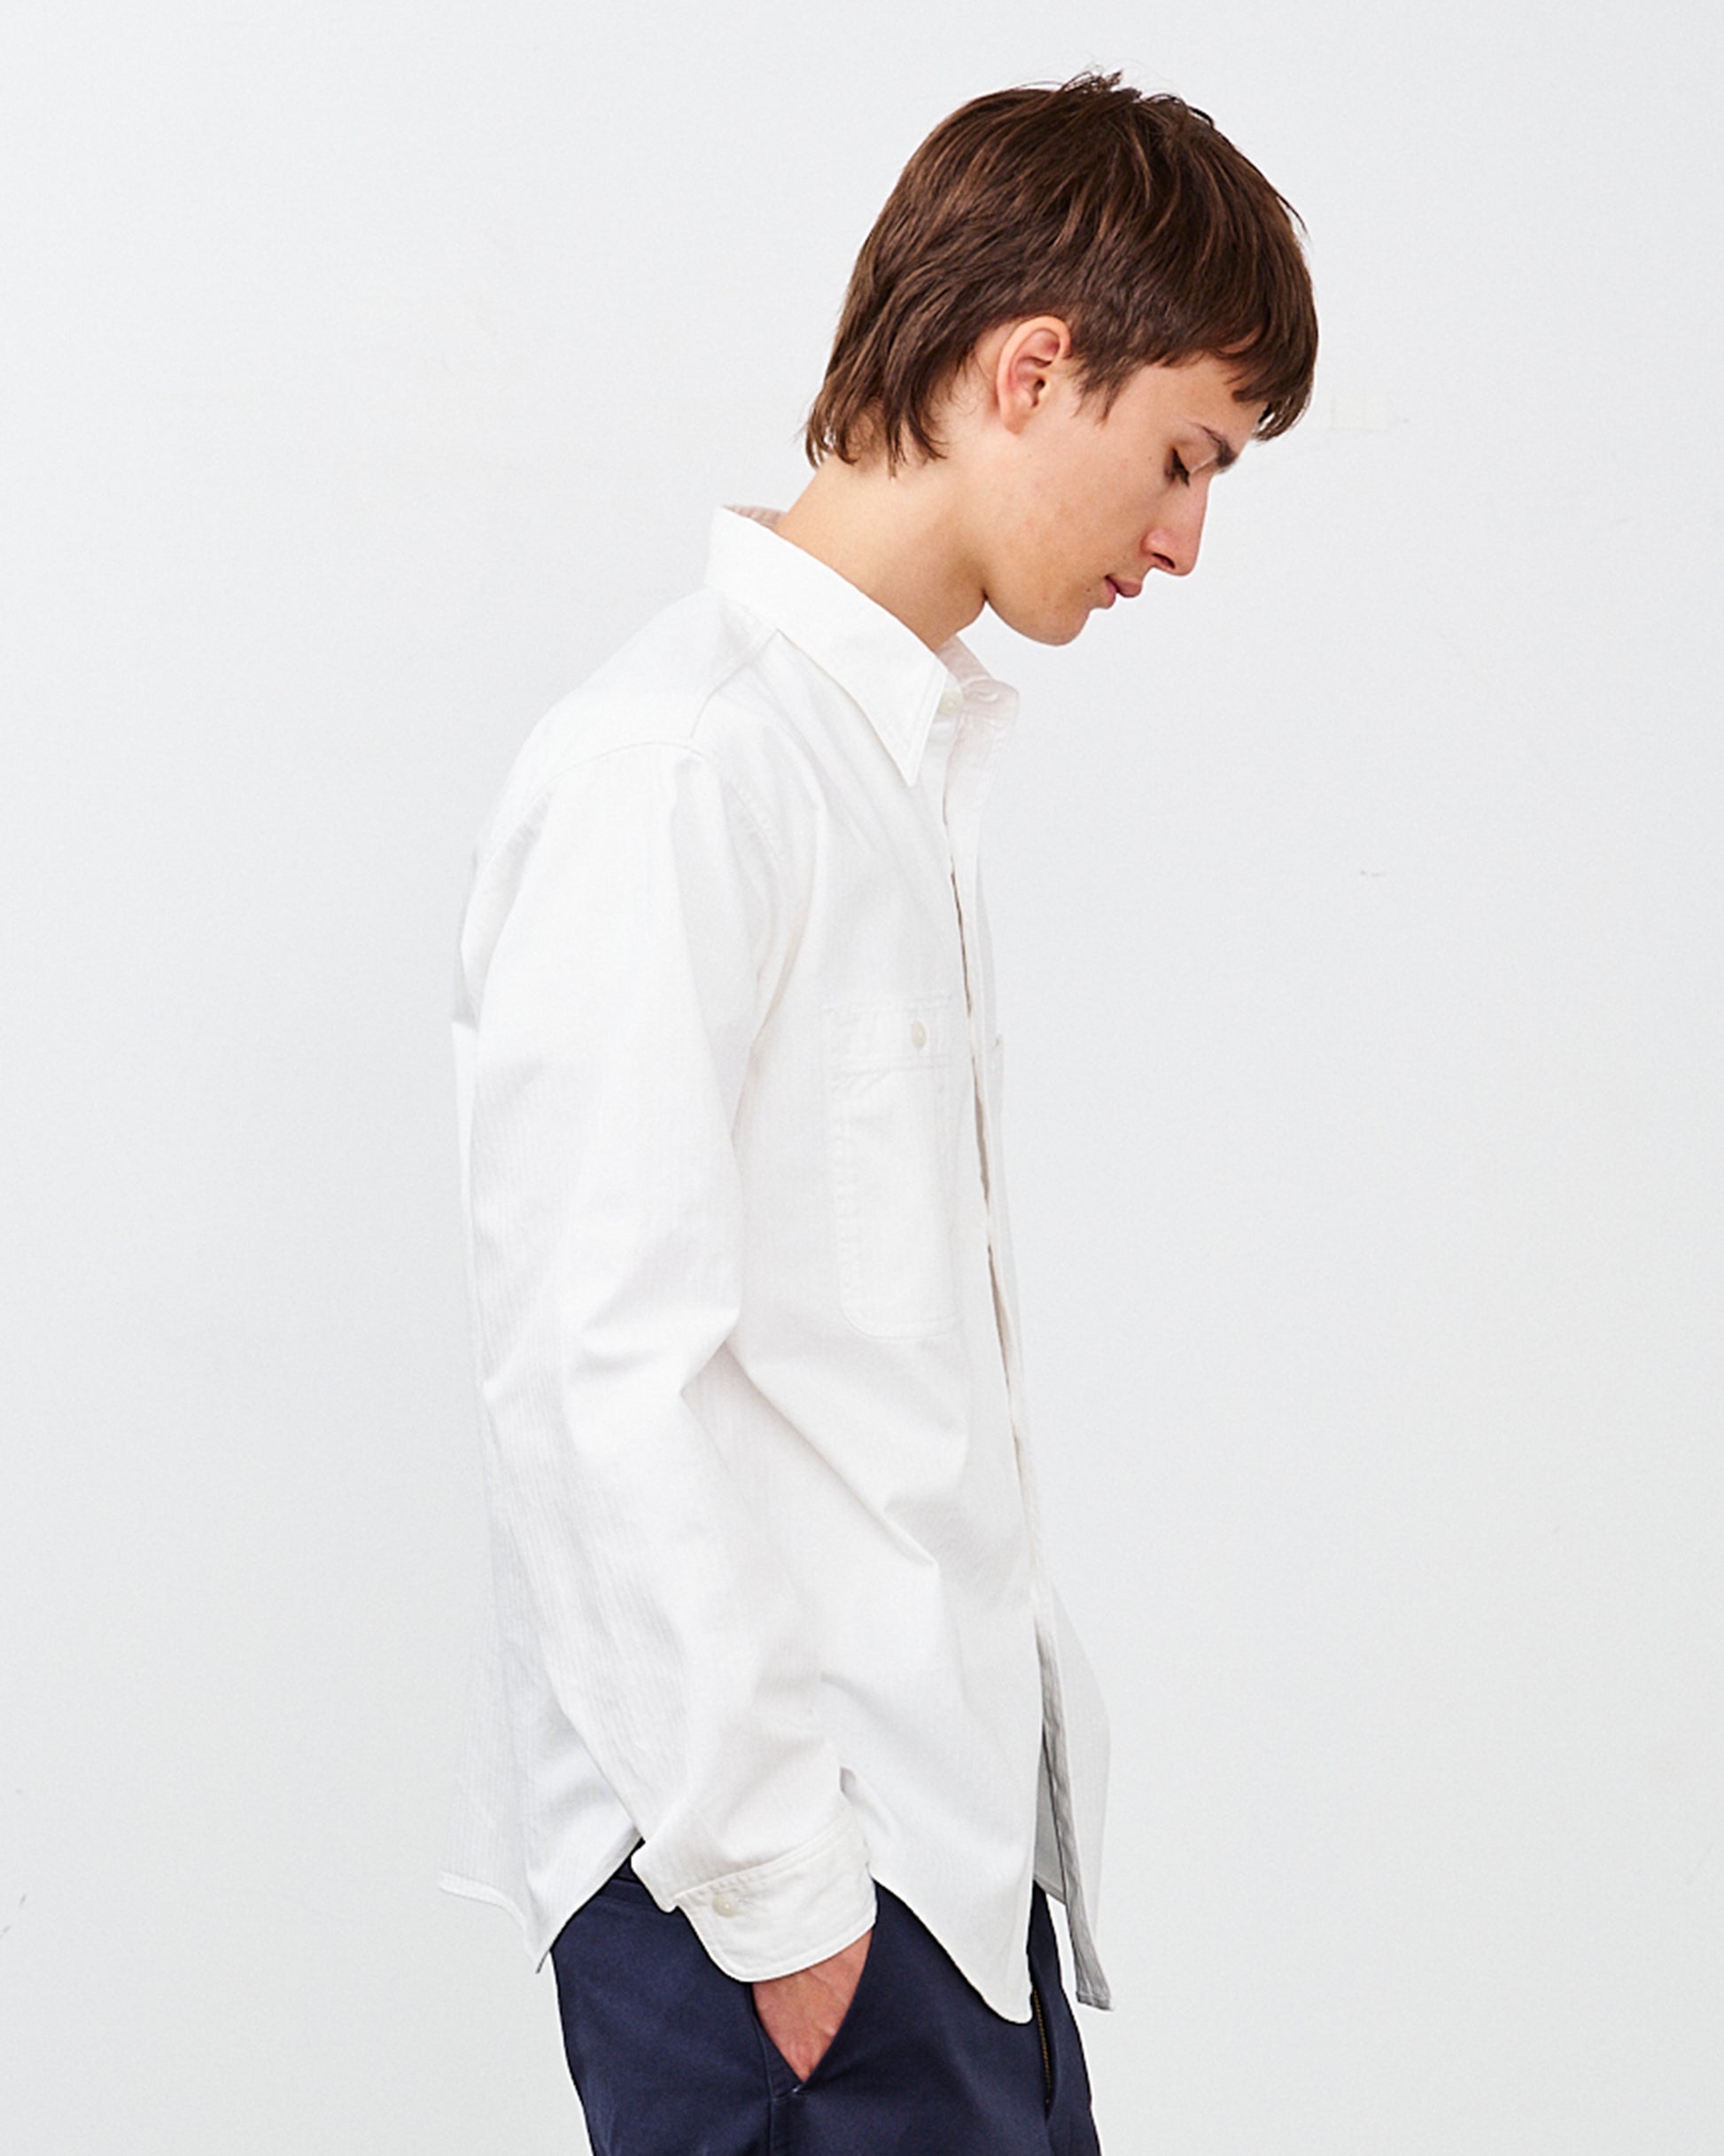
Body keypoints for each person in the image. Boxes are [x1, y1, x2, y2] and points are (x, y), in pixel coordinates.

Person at [442, 66, 1317, 2153]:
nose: (1185, 541)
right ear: (1030, 369)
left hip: (934, 1882)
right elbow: (594, 1365)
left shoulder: (882, 772)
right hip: (783, 1905)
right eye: (1182, 455)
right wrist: (781, 1896)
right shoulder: (684, 766)